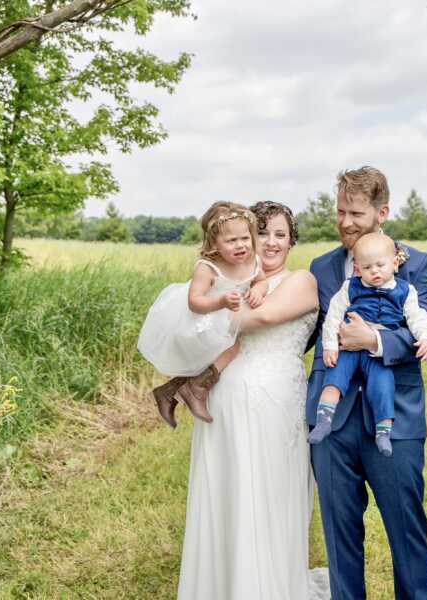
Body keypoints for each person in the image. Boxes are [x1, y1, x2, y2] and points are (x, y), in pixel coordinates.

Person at [176, 201, 329, 600]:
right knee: (228, 490)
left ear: (292, 239)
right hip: (228, 397)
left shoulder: (302, 280)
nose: (272, 242)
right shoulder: (231, 282)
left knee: (272, 493)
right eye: (263, 233)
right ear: (245, 238)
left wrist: (210, 314)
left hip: (277, 400)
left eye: (281, 234)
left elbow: (260, 319)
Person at [307, 166, 427, 599]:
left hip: (395, 419)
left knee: (406, 529)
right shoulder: (323, 267)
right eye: (340, 212)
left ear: (382, 211)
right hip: (332, 423)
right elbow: (301, 332)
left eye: (356, 213)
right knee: (339, 534)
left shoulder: (415, 263)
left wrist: (376, 340)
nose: (345, 222)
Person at [137, 201, 268, 427]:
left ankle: (168, 393)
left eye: (245, 238)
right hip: (205, 316)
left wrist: (258, 289)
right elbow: (194, 302)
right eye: (231, 241)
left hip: (228, 317)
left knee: (216, 356)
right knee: (232, 347)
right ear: (214, 243)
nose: (240, 245)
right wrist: (221, 300)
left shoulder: (253, 261)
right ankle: (196, 389)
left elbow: (262, 280)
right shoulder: (207, 267)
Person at [309, 231, 427, 456]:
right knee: (334, 379)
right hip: (346, 348)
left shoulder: (405, 290)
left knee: (382, 385)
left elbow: (417, 317)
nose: (374, 271)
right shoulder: (351, 287)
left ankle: (383, 432)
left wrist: (425, 337)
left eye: (380, 265)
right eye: (367, 268)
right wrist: (329, 345)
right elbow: (333, 316)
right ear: (357, 269)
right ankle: (324, 420)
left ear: (395, 263)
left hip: (377, 354)